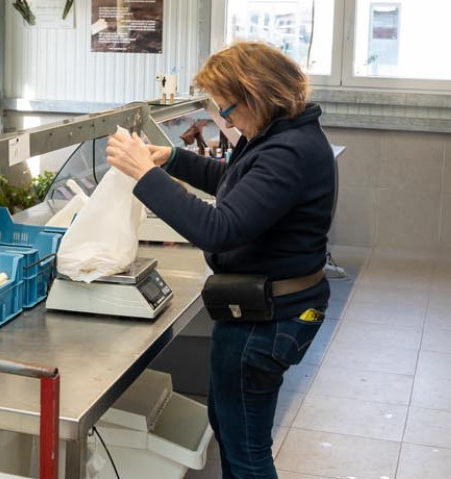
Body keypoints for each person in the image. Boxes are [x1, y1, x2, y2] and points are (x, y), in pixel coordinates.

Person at [106, 42, 335, 479]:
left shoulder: (288, 151)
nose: (225, 118)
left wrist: (146, 177)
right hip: (269, 307)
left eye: (227, 107)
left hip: (265, 322)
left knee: (246, 448)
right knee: (233, 431)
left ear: (256, 94)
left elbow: (219, 228)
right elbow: (234, 180)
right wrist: (171, 159)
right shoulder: (279, 136)